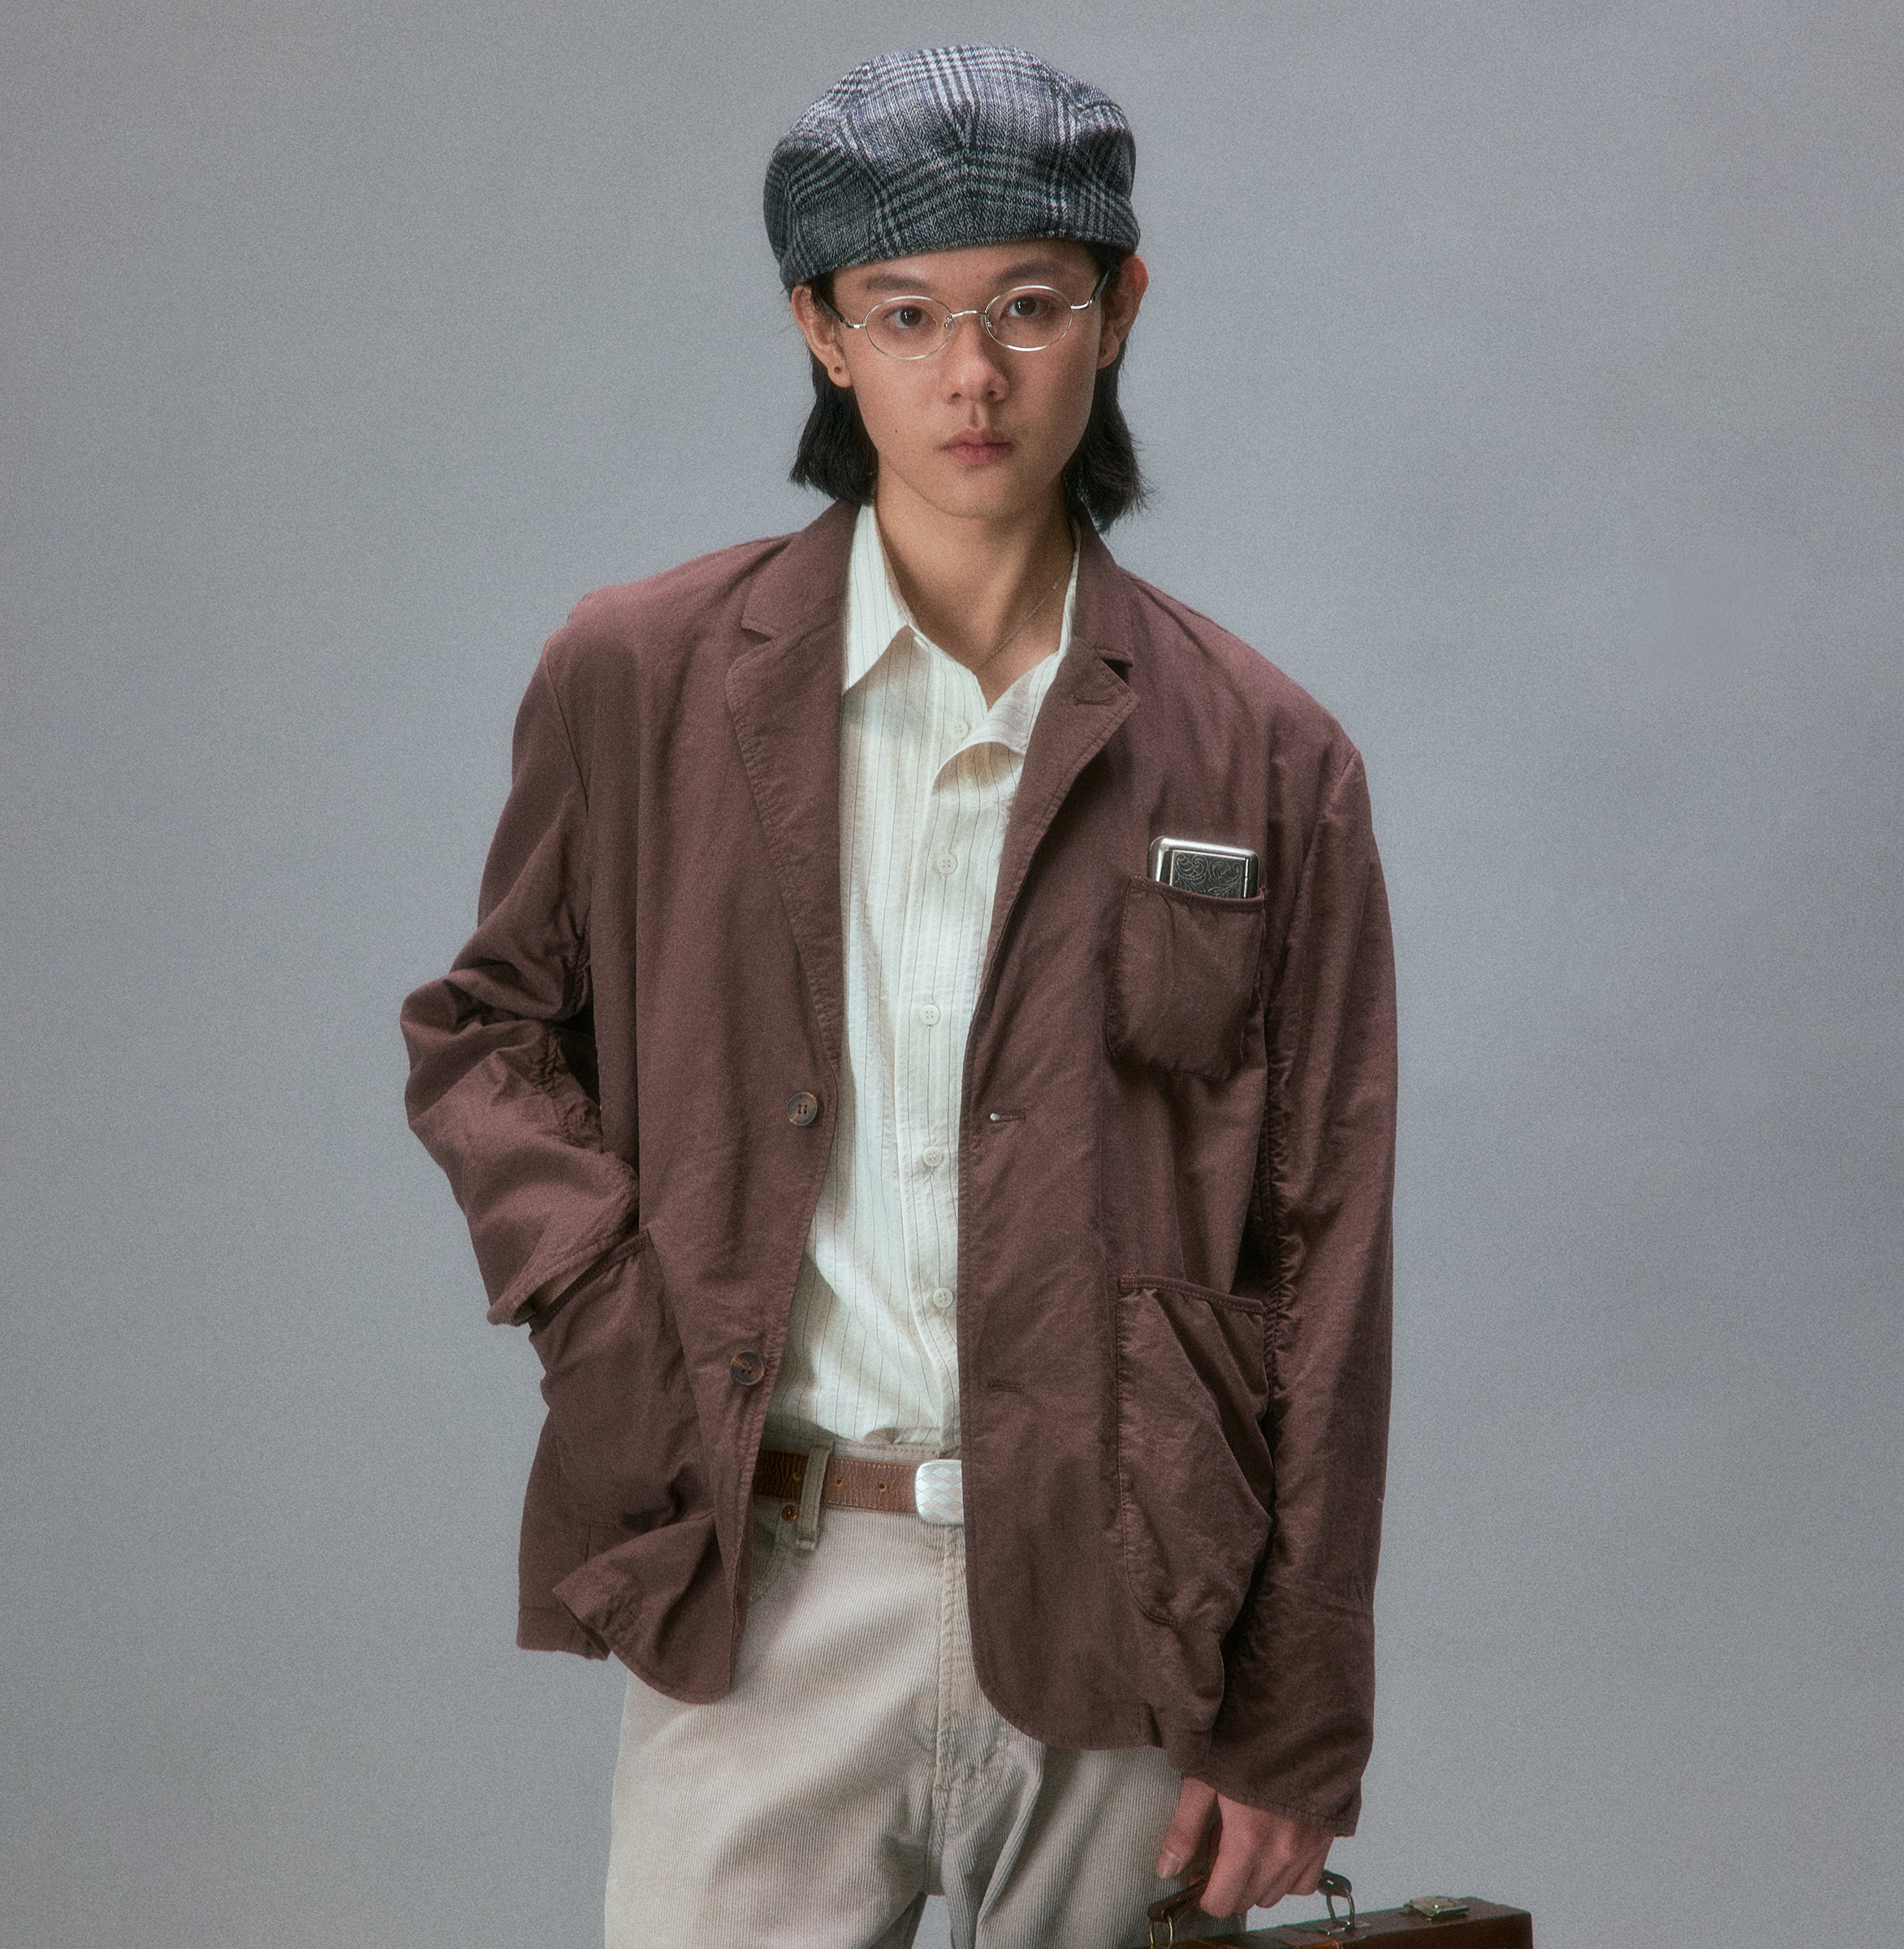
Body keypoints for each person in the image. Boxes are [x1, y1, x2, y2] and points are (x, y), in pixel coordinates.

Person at [401, 44, 1396, 1949]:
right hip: (766, 1587)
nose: (972, 376)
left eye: (1030, 305)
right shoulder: (641, 679)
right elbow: (487, 1036)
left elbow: (1326, 1244)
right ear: (821, 331)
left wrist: (1296, 1715)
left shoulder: (1268, 756)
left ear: (1119, 307)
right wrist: (608, 1311)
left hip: (1129, 1606)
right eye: (907, 312)